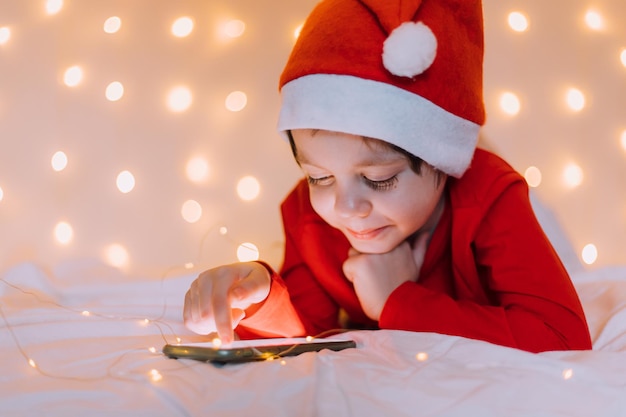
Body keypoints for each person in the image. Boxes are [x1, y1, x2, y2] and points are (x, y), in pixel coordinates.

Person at [183, 0, 592, 353]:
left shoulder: (490, 197)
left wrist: (399, 302)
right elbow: (305, 331)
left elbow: (562, 336)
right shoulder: (309, 216)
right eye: (320, 177)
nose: (345, 207)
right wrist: (257, 296)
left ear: (439, 160)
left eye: (378, 179)